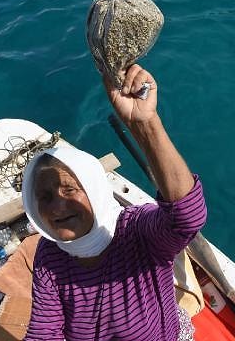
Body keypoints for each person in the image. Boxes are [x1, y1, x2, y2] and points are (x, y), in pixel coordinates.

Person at [22, 64, 207, 340]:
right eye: (44, 197)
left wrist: (145, 123)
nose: (56, 207)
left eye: (69, 190)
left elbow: (186, 217)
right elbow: (44, 332)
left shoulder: (135, 232)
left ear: (95, 189)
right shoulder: (50, 256)